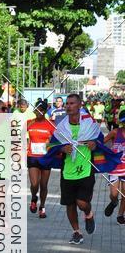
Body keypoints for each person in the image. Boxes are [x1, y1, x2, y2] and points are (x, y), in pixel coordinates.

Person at [53, 93, 100, 244]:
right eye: (67, 103)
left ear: (79, 105)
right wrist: (62, 148)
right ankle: (76, 232)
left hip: (85, 168)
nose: (68, 106)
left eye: (72, 103)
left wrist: (95, 144)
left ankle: (88, 213)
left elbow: (100, 140)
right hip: (68, 170)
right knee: (70, 203)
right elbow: (51, 145)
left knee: (81, 202)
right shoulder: (61, 126)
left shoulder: (89, 123)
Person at [26, 100, 55, 218]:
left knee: (43, 185)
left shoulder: (51, 125)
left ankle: (42, 207)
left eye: (41, 110)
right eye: (37, 110)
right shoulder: (29, 123)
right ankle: (33, 197)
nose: (38, 112)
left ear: (44, 111)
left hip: (46, 157)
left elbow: (55, 141)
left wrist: (50, 143)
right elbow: (18, 136)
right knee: (34, 184)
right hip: (32, 156)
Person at [103, 107, 125, 224]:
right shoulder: (115, 132)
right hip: (115, 167)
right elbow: (102, 143)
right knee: (114, 194)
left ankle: (120, 215)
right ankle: (114, 202)